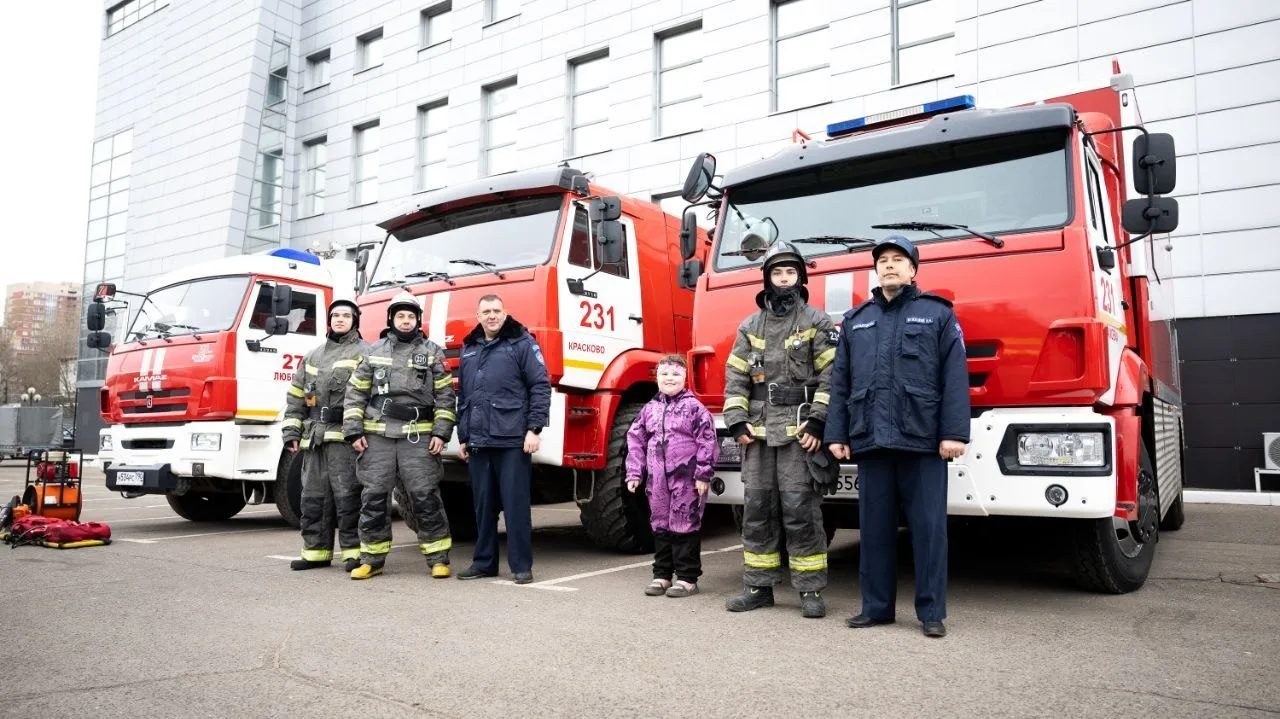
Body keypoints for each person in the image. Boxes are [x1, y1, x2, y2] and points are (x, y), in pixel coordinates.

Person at [824, 235, 970, 638]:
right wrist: (837, 433)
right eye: (883, 260)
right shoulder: (857, 320)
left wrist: (954, 433)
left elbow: (954, 376)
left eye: (898, 260)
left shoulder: (937, 314)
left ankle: (931, 613)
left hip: (922, 440)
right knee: (873, 530)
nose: (889, 266)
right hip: (871, 441)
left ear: (913, 270)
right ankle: (875, 608)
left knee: (928, 531)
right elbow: (841, 382)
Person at [722, 241, 839, 619]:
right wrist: (736, 419)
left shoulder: (817, 321)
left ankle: (810, 590)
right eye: (778, 273)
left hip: (799, 430)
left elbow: (832, 376)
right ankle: (758, 586)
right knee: (756, 510)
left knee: (800, 510)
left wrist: (819, 420)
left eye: (790, 273)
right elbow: (736, 377)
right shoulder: (749, 325)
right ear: (767, 278)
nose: (784, 279)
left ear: (800, 278)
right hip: (756, 433)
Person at [342, 291, 456, 580]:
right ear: (391, 319)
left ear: (417, 320)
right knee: (374, 497)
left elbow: (445, 396)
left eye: (410, 316)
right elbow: (355, 394)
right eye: (400, 316)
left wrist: (442, 433)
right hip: (377, 435)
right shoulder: (373, 351)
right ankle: (372, 559)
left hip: (418, 435)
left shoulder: (432, 352)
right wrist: (353, 430)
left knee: (424, 495)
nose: (405, 321)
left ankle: (438, 557)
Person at [455, 294, 551, 585]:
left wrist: (534, 429)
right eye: (486, 311)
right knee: (482, 506)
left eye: (496, 310)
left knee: (515, 505)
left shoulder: (522, 343)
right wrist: (463, 435)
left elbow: (539, 386)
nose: (492, 316)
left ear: (505, 313)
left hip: (512, 439)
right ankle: (484, 562)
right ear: (478, 315)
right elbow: (465, 396)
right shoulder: (469, 347)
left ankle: (521, 566)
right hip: (478, 440)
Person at [281, 298, 368, 572]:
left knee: (348, 497)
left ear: (355, 320)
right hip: (315, 438)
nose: (340, 319)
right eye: (335, 316)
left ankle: (354, 554)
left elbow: (371, 397)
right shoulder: (312, 356)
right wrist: (292, 430)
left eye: (346, 315)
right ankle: (315, 553)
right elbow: (296, 397)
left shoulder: (364, 353)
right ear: (329, 321)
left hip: (345, 438)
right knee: (313, 498)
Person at [624, 355, 719, 598]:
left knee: (684, 523)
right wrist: (634, 471)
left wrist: (703, 474)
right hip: (657, 480)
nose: (669, 379)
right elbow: (635, 440)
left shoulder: (694, 408)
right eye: (665, 374)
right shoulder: (649, 409)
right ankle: (662, 575)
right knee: (660, 523)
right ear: (656, 377)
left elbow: (707, 441)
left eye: (676, 374)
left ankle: (687, 578)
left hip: (687, 478)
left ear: (685, 378)